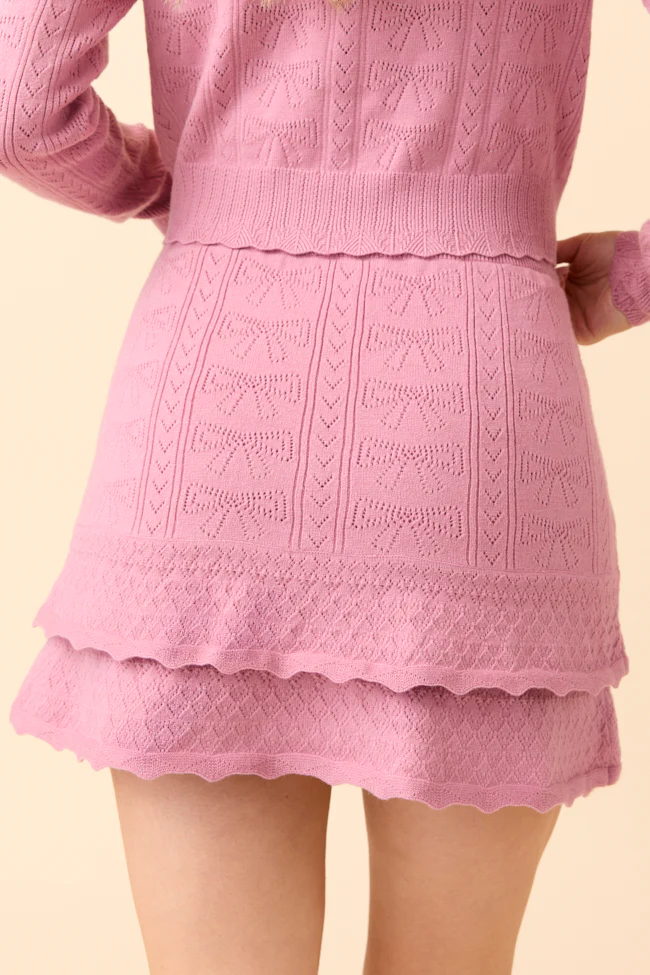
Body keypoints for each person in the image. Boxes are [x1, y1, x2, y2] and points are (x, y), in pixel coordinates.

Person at [3, 0, 649, 972]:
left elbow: (18, 100)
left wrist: (180, 188)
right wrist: (631, 278)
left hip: (209, 419)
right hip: (477, 426)